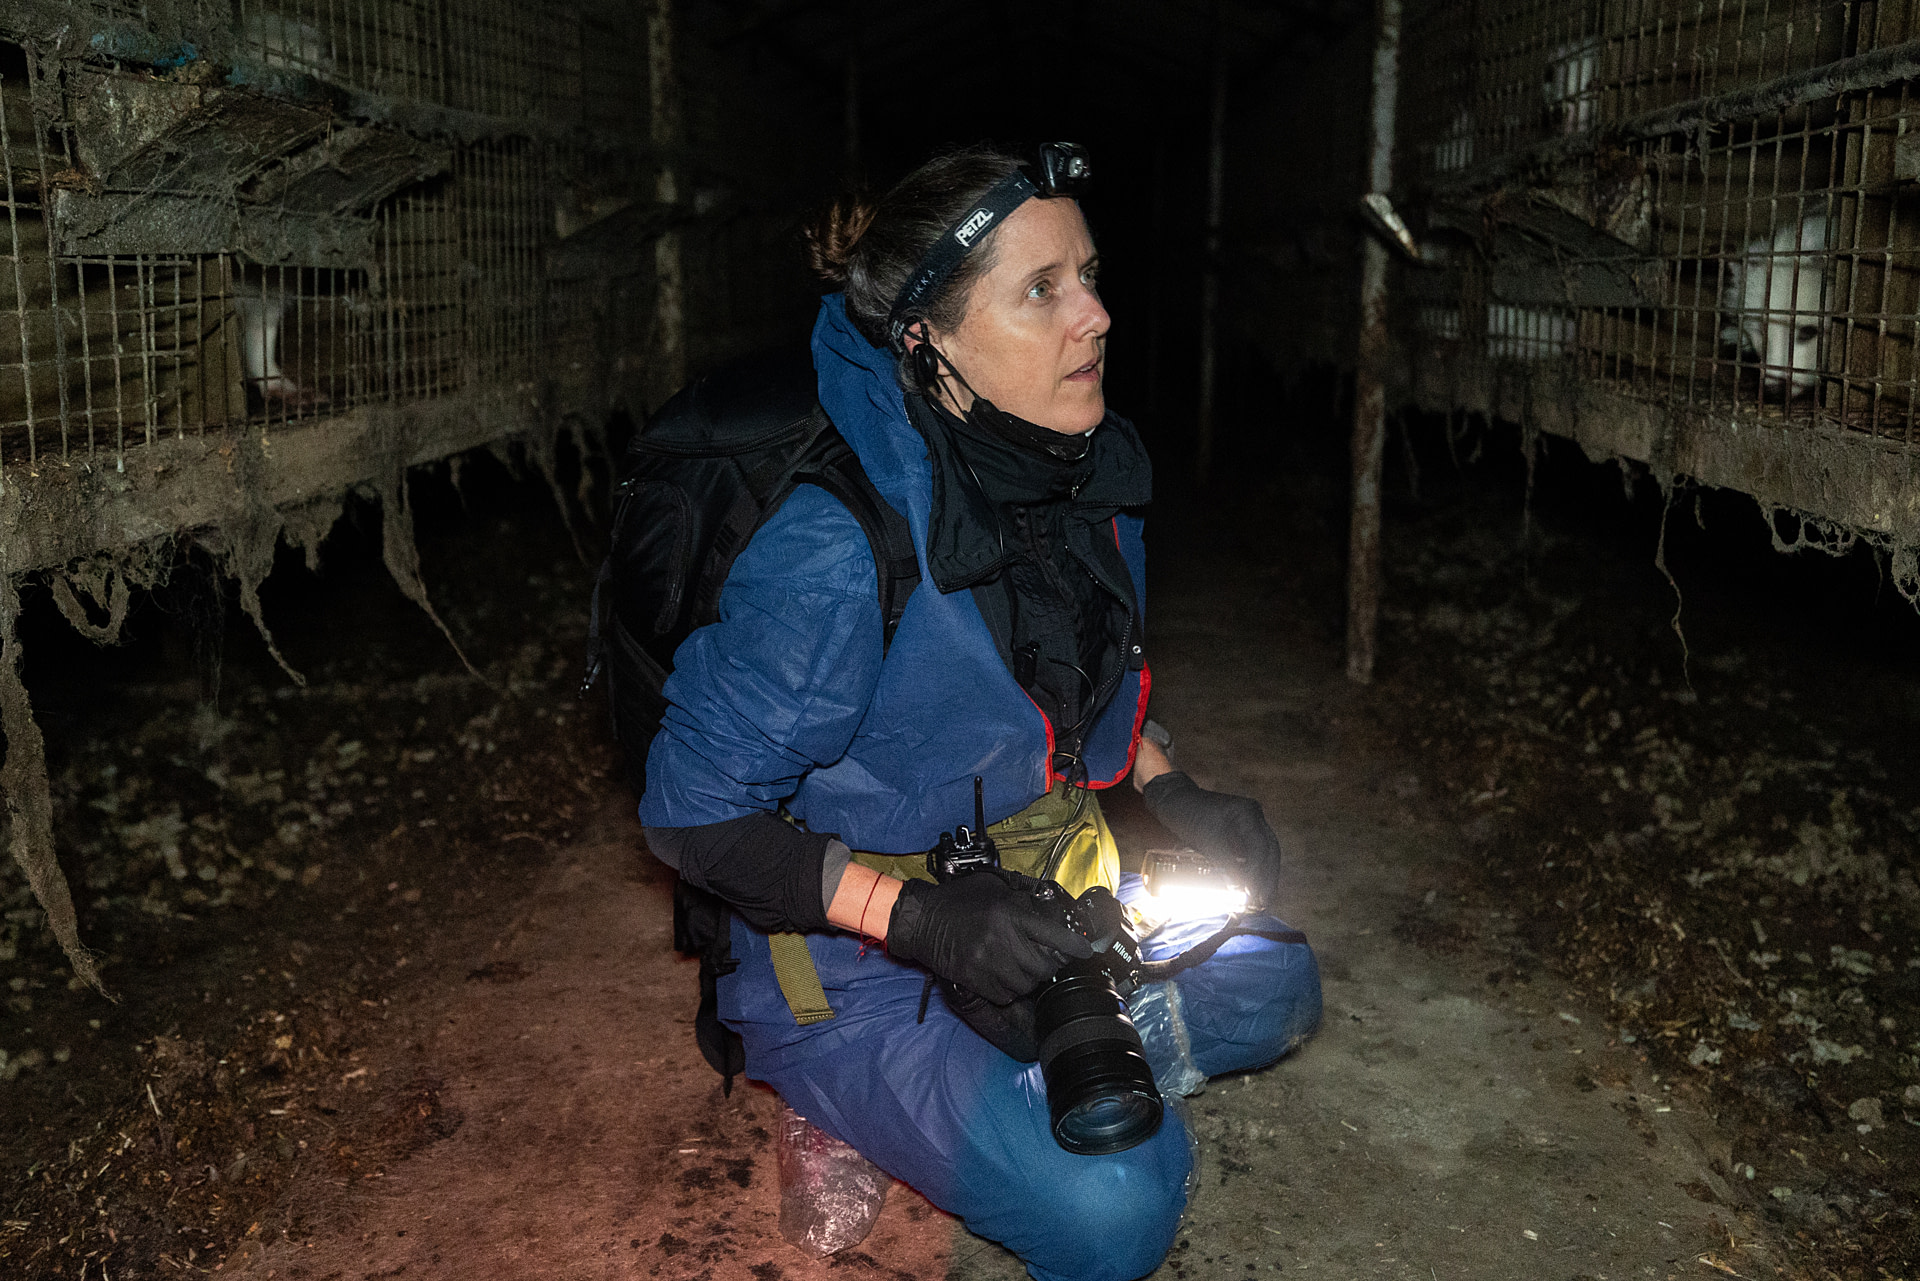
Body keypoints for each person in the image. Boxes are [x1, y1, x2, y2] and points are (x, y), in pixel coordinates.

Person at [638, 143, 1322, 1281]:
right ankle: (847, 1096)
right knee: (1115, 1211)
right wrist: (920, 925)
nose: (1096, 316)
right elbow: (690, 818)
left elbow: (1071, 699)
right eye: (1042, 290)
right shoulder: (836, 549)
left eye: (1090, 275)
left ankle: (1029, 1062)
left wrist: (1172, 789)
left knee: (1279, 978)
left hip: (1047, 905)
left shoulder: (1074, 479)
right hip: (862, 964)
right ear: (932, 341)